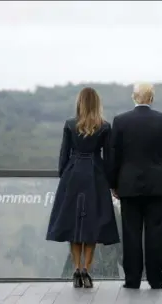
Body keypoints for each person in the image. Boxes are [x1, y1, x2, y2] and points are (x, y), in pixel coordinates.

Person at [46, 87, 120, 288]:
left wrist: (65, 175)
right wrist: (111, 183)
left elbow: (63, 155)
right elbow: (109, 158)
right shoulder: (104, 127)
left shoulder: (70, 124)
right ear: (97, 103)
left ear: (79, 102)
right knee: (92, 224)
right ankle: (86, 269)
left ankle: (76, 269)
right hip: (95, 175)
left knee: (74, 223)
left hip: (73, 174)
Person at [109, 82, 162, 289]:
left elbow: (114, 156)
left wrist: (113, 183)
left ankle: (132, 279)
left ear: (134, 97)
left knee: (131, 233)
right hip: (158, 185)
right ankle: (156, 279)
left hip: (128, 186)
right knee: (156, 232)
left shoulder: (120, 121)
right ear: (152, 98)